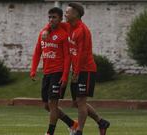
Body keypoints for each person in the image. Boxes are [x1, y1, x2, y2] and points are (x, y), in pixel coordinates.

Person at [42, 3, 110, 135]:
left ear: (75, 14)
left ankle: (79, 131)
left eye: (67, 12)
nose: (65, 14)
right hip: (77, 70)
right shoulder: (68, 26)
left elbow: (81, 54)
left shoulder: (82, 30)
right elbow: (52, 24)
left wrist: (77, 72)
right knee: (76, 102)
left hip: (86, 69)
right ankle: (101, 122)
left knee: (81, 101)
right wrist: (45, 30)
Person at [30, 7, 78, 135]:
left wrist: (64, 76)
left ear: (60, 19)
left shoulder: (63, 35)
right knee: (47, 106)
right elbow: (37, 52)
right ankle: (72, 124)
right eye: (49, 17)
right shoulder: (43, 33)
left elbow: (67, 57)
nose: (51, 20)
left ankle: (50, 132)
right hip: (46, 73)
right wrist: (33, 70)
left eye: (54, 17)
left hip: (58, 73)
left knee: (52, 103)